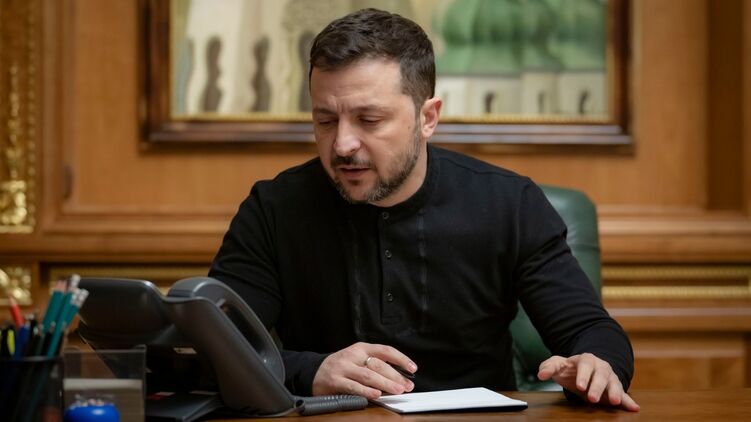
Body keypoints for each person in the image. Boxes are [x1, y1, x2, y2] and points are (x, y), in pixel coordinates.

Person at [209, 8, 639, 412]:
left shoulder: (510, 204)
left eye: (369, 120)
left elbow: (594, 332)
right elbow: (211, 352)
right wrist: (310, 370)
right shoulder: (274, 208)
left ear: (427, 118)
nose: (342, 144)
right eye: (325, 121)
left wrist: (596, 366)